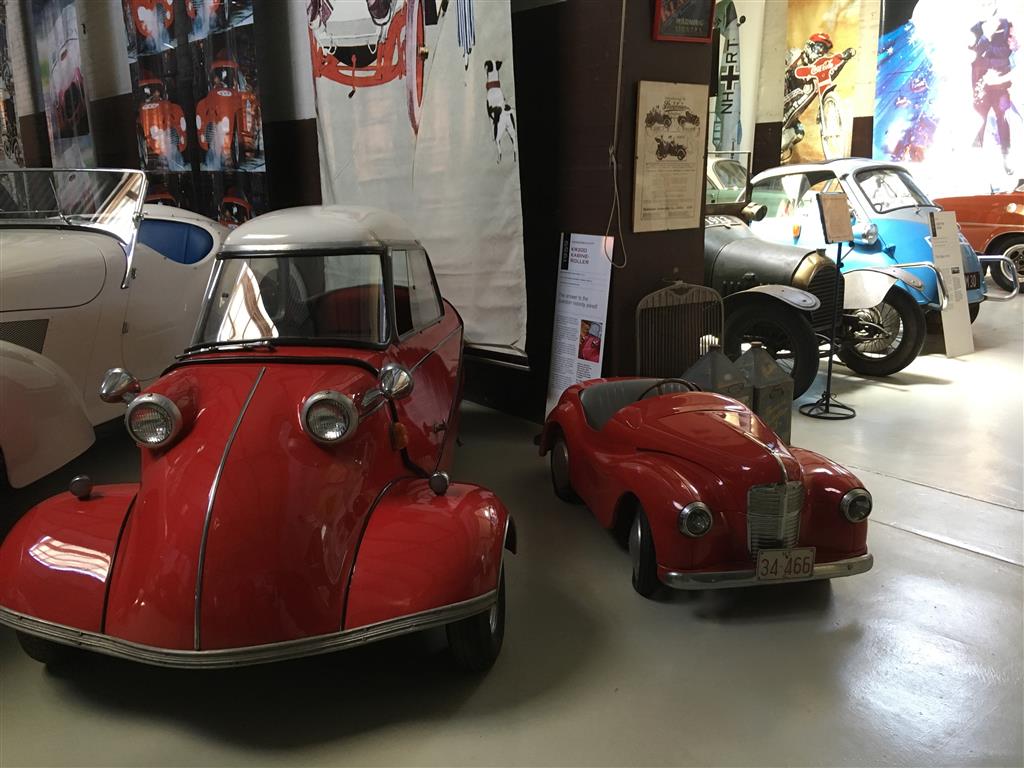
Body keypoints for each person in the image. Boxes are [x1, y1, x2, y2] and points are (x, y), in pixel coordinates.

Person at [969, 0, 1017, 175]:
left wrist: (988, 45)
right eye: (981, 4)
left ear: (995, 5)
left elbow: (1007, 51)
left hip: (1000, 84)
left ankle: (1007, 158)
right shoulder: (975, 28)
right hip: (980, 84)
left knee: (1002, 120)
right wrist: (985, 38)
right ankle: (974, 160)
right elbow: (972, 53)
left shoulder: (1007, 26)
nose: (984, 8)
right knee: (978, 120)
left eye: (987, 4)